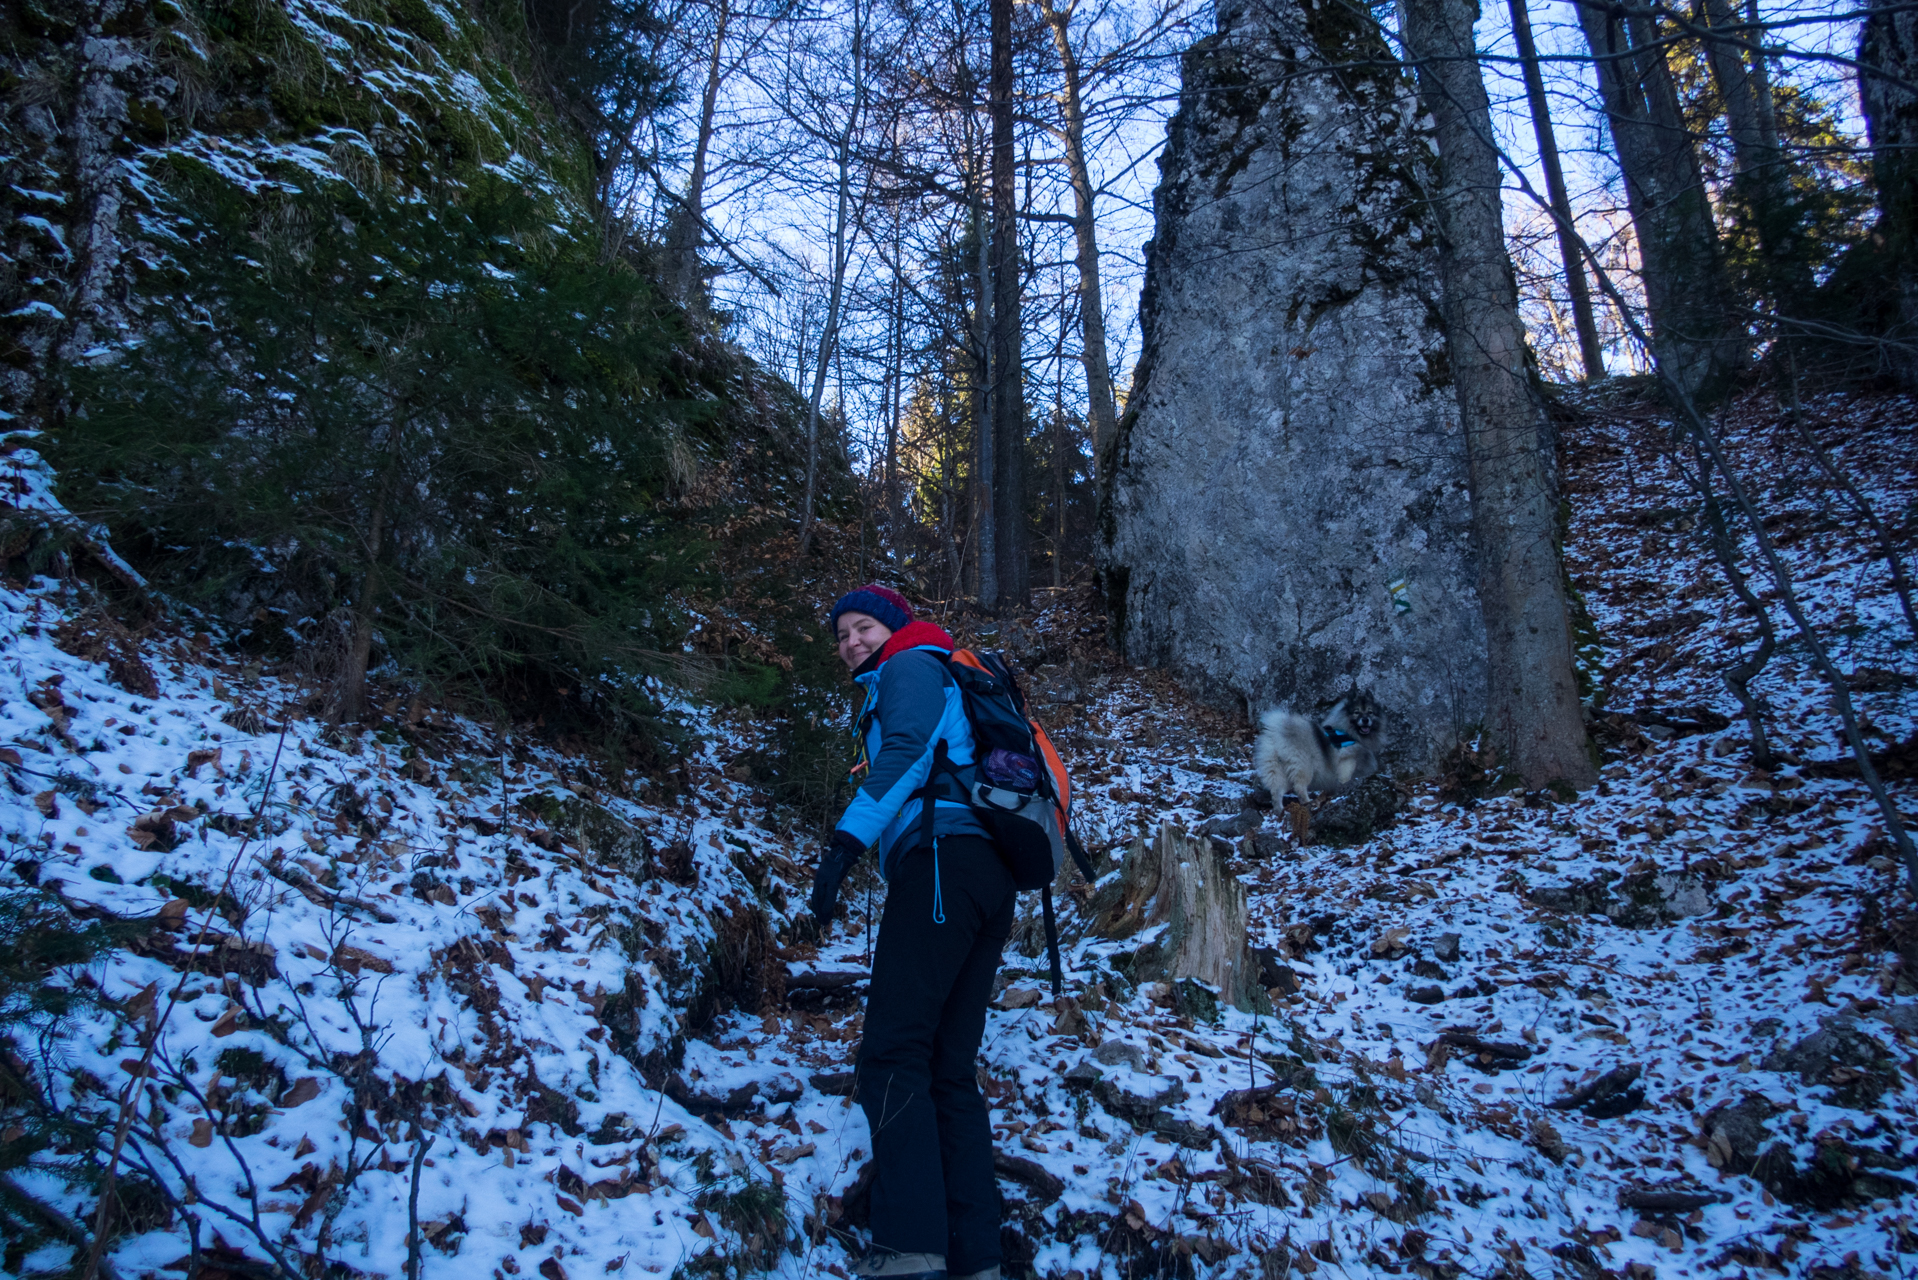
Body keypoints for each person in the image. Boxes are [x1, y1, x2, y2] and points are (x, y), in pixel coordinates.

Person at [810, 584, 1012, 1280]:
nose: (852, 643)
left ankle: (908, 1250)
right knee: (947, 1072)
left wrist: (844, 845)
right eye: (842, 635)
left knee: (893, 1055)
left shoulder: (911, 664)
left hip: (941, 866)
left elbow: (906, 751)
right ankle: (975, 1255)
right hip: (982, 878)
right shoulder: (928, 667)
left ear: (891, 628)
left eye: (862, 626)